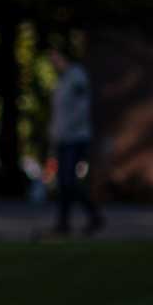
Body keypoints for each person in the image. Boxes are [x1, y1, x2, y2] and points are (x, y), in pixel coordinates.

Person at [49, 49, 104, 235]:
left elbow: (82, 108)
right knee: (63, 182)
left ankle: (93, 215)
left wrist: (66, 129)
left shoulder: (77, 77)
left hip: (75, 138)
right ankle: (64, 223)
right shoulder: (62, 80)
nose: (53, 63)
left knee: (68, 180)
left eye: (55, 58)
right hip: (62, 139)